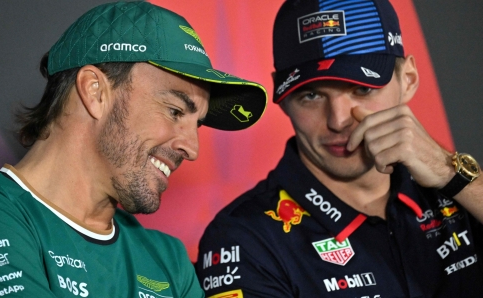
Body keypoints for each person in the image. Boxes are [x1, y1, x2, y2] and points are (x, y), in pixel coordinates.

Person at [0, 1, 267, 297]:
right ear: (94, 92)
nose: (192, 148)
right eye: (174, 111)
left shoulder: (169, 260)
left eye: (196, 124)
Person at [196, 0, 483, 297]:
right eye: (311, 95)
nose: (338, 121)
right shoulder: (243, 239)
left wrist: (452, 174)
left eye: (363, 89)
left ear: (407, 80)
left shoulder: (459, 190)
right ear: (284, 102)